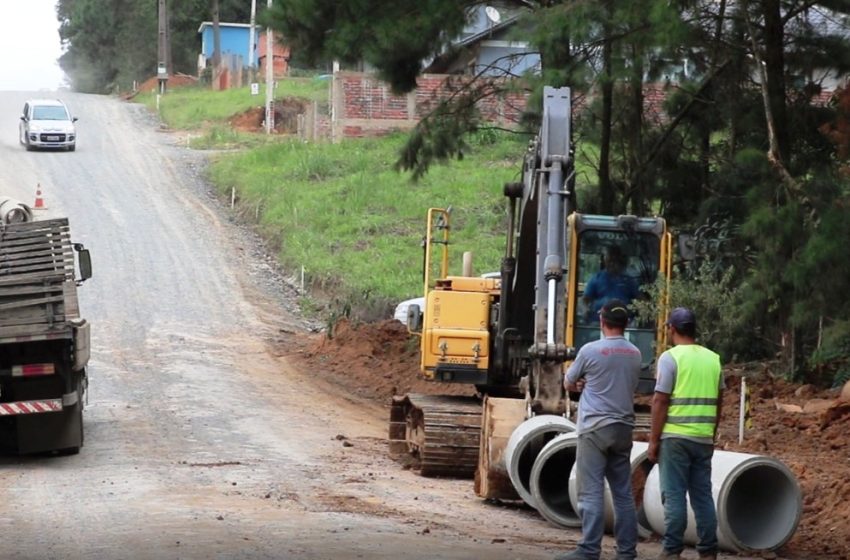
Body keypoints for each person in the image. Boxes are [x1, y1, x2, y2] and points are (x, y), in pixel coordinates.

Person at [557, 300, 642, 560]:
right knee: (622, 493)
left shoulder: (590, 350)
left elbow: (568, 383)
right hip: (623, 427)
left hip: (594, 428)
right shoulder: (636, 353)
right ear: (626, 324)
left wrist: (583, 384)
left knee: (591, 490)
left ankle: (589, 549)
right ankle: (627, 552)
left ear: (602, 321)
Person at [648, 308, 724, 560]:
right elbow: (720, 400)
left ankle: (671, 550)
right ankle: (708, 551)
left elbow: (660, 400)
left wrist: (653, 440)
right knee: (702, 495)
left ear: (672, 328)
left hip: (676, 438)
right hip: (703, 438)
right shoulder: (713, 359)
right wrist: (711, 432)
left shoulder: (670, 358)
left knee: (674, 495)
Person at [582, 246, 639, 322]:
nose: (612, 263)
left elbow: (641, 299)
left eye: (615, 260)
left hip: (624, 322)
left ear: (620, 261)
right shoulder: (597, 278)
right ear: (605, 260)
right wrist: (586, 310)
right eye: (610, 260)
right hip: (598, 322)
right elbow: (586, 299)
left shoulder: (629, 281)